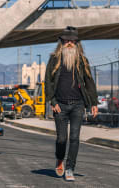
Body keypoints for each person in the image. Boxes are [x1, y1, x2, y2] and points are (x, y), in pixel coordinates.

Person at [45, 26, 98, 181]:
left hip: (78, 105)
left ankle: (70, 168)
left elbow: (89, 82)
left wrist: (93, 103)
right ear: (62, 42)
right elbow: (48, 81)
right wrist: (52, 101)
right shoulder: (54, 59)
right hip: (59, 105)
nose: (69, 43)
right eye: (66, 40)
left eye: (72, 41)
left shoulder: (82, 60)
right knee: (62, 138)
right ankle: (60, 159)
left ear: (77, 43)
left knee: (74, 138)